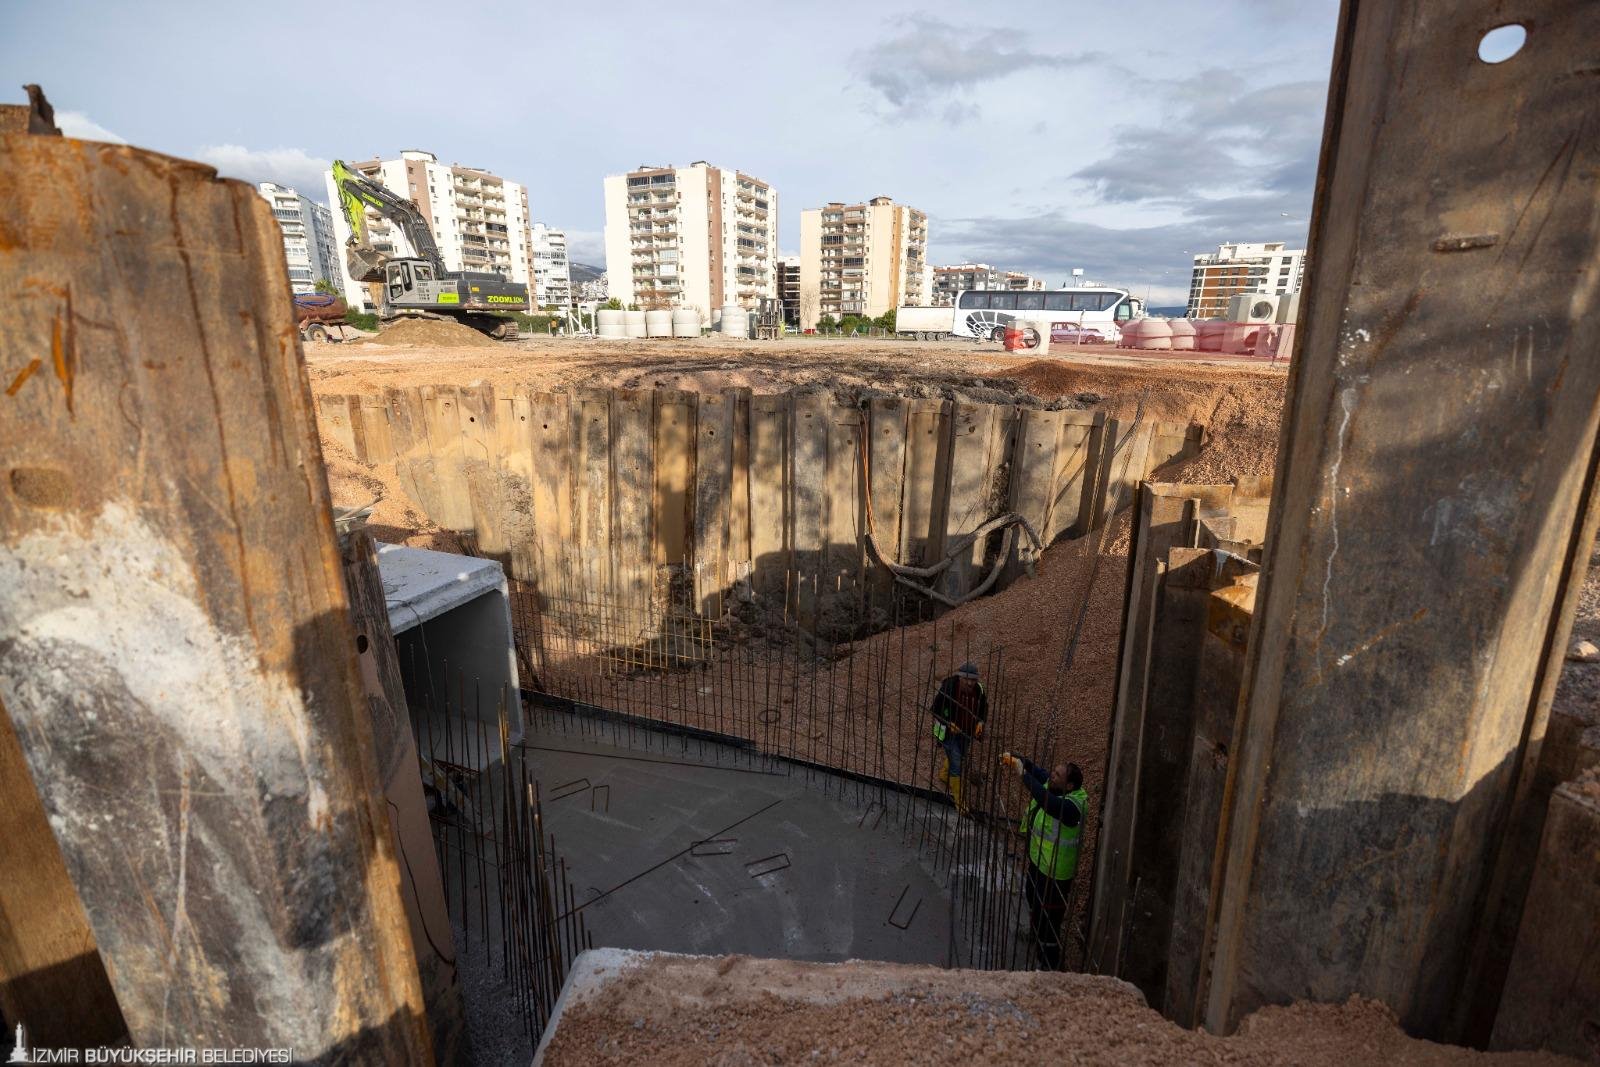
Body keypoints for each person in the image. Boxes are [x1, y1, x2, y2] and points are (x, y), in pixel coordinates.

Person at [1001, 753, 1085, 971]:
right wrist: (1016, 759)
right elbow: (1037, 770)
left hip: (1055, 874)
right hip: (1038, 862)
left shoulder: (1073, 807)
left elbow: (1048, 803)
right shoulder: (1055, 784)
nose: (1052, 776)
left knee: (1050, 920)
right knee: (1032, 898)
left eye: (1057, 775)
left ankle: (1049, 964)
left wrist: (1024, 776)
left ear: (1070, 785)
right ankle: (1037, 936)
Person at [929, 662, 987, 813]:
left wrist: (980, 722)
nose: (970, 683)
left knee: (960, 756)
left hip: (967, 731)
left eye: (973, 680)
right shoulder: (948, 688)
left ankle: (943, 775)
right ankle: (959, 803)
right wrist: (949, 724)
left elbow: (983, 709)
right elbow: (935, 709)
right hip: (949, 734)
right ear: (960, 678)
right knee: (957, 765)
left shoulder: (979, 690)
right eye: (966, 679)